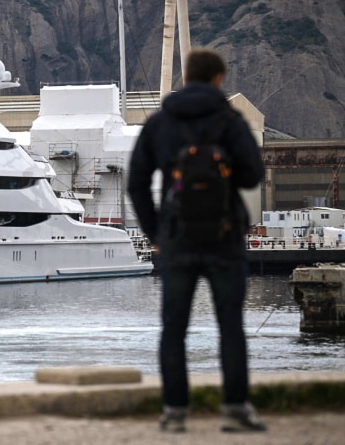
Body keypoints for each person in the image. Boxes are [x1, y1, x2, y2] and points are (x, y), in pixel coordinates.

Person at [127, 48, 266, 433]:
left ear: (185, 78)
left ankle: (174, 413)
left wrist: (155, 233)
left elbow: (136, 182)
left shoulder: (160, 123)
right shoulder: (231, 120)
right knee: (230, 326)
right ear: (219, 79)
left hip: (177, 239)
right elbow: (253, 175)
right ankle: (235, 410)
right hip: (225, 238)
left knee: (174, 328)